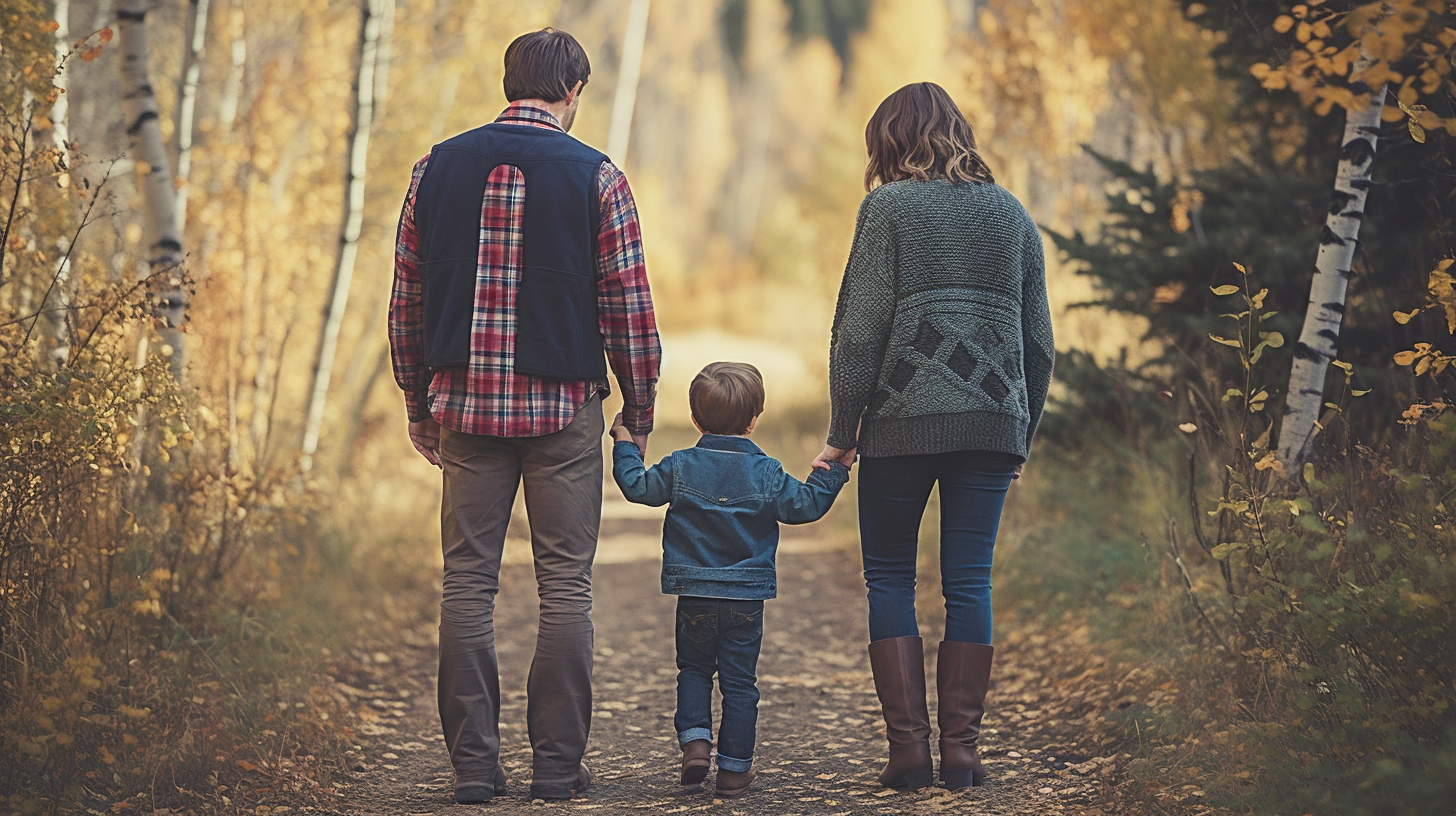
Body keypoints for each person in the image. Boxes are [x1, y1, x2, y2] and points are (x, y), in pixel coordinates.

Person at [387, 27, 661, 805]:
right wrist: (637, 411)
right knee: (565, 586)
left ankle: (474, 769)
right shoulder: (598, 177)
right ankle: (555, 769)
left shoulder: (434, 169)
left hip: (466, 409)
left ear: (509, 82)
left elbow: (405, 300)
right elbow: (629, 308)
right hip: (563, 410)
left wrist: (419, 403)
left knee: (467, 584)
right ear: (572, 92)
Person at [812, 82, 1055, 792]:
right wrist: (1021, 436)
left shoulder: (888, 208)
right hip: (992, 425)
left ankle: (909, 753)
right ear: (958, 132)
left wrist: (841, 432)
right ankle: (965, 755)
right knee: (968, 581)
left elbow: (859, 331)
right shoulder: (1010, 214)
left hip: (899, 425)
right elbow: (1040, 345)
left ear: (888, 141)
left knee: (889, 575)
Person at [611, 362, 850, 797]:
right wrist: (833, 471)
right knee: (741, 684)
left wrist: (625, 443)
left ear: (695, 419)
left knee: (694, 670)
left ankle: (697, 744)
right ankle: (735, 770)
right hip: (745, 600)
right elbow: (806, 507)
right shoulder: (767, 472)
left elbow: (636, 487)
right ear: (754, 419)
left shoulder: (681, 465)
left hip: (695, 594)